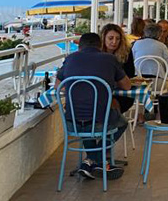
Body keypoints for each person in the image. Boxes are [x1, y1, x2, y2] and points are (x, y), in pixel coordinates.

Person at [55, 32, 131, 180]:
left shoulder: (70, 58)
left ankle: (89, 161)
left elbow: (59, 86)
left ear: (79, 46)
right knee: (122, 122)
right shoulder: (109, 59)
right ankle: (98, 160)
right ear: (99, 45)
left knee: (86, 117)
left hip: (72, 123)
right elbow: (127, 86)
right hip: (100, 123)